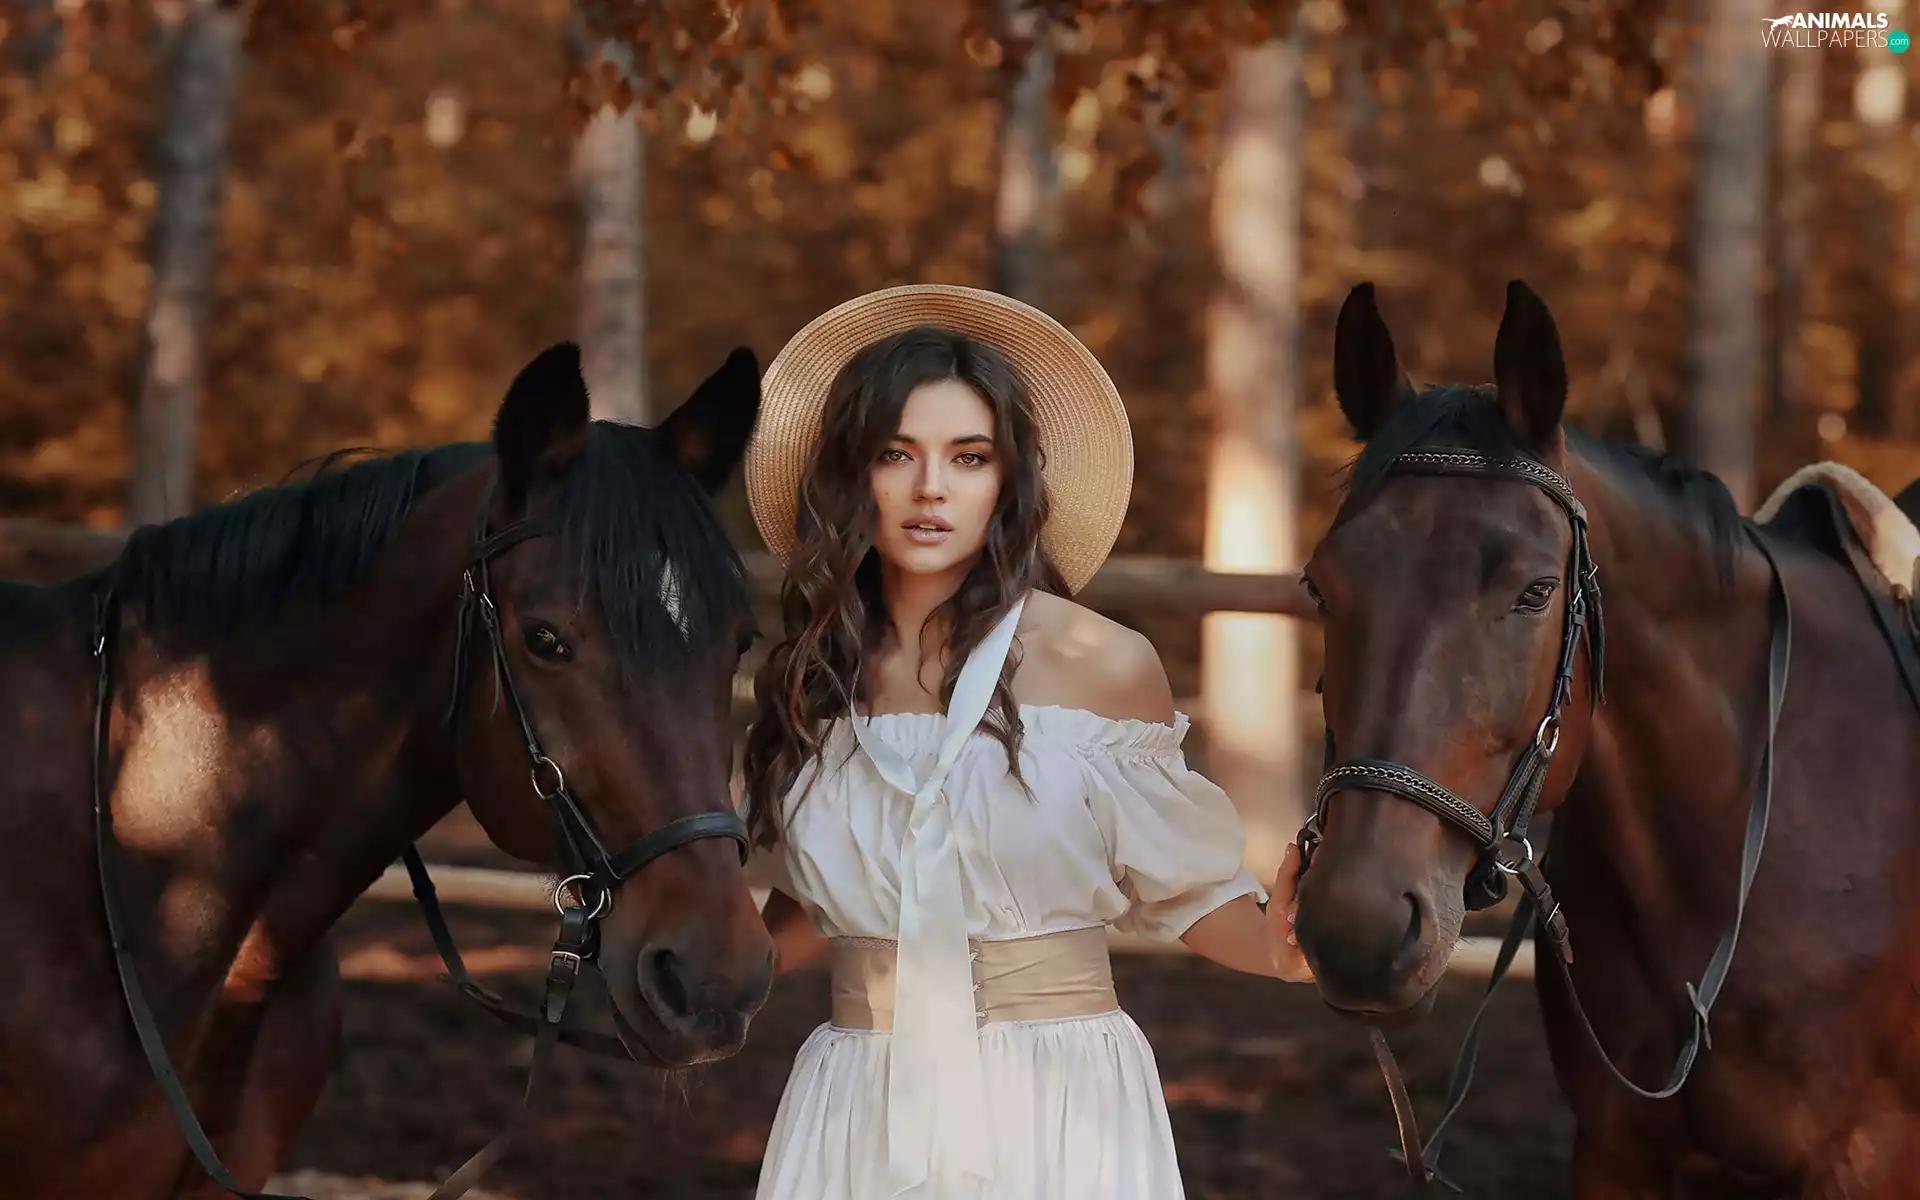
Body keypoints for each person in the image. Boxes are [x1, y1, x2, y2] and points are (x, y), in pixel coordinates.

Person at [737, 283, 1313, 1200]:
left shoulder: (1101, 663)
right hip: (857, 1096)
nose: (931, 488)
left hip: (1056, 1096)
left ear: (1009, 479)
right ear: (851, 474)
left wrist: (1287, 946)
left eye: (969, 457)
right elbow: (811, 908)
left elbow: (1191, 891)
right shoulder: (815, 678)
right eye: (896, 454)